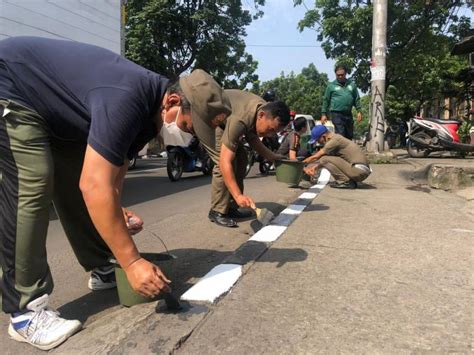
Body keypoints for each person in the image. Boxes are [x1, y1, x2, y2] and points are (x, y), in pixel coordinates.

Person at [0, 36, 231, 350]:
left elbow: (110, 180)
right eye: (190, 128)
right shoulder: (127, 98)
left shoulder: (149, 121)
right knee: (33, 183)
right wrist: (133, 261)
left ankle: (101, 266)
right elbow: (95, 187)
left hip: (53, 113)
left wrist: (117, 212)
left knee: (77, 181)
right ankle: (24, 311)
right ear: (173, 103)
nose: (187, 138)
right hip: (11, 85)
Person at [197, 90, 291, 227]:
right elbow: (225, 161)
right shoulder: (242, 119)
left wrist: (272, 156)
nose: (270, 135)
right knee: (222, 163)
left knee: (242, 160)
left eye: (274, 132)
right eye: (270, 129)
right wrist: (237, 195)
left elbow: (252, 138)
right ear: (261, 115)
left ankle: (231, 207)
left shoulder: (261, 112)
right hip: (211, 121)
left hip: (227, 121)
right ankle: (217, 211)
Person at [302, 125, 371, 189]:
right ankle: (347, 181)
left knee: (324, 159)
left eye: (318, 140)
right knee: (326, 159)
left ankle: (345, 181)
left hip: (359, 171)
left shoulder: (334, 141)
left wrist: (300, 164)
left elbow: (316, 157)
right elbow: (332, 161)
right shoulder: (336, 138)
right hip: (361, 171)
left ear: (323, 136)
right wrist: (315, 168)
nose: (318, 143)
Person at [320, 65, 362, 140]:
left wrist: (359, 111)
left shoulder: (351, 85)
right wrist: (323, 114)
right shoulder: (331, 86)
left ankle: (347, 151)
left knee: (349, 135)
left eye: (342, 75)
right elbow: (326, 100)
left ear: (345, 74)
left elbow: (356, 98)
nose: (340, 77)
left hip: (348, 113)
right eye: (338, 75)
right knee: (340, 133)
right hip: (336, 113)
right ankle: (340, 151)